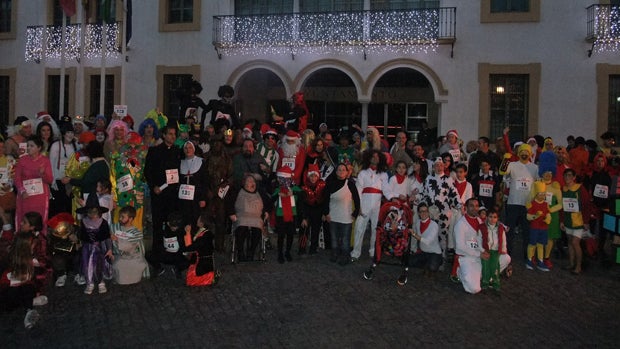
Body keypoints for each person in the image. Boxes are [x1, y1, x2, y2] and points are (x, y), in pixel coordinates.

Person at [144, 126, 182, 261]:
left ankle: (172, 252)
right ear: (164, 135)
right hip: (159, 193)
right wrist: (153, 186)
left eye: (174, 134)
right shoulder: (154, 151)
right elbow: (148, 171)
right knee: (158, 224)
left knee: (172, 224)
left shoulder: (178, 151)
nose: (172, 136)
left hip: (173, 195)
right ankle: (157, 253)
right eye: (170, 134)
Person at [351, 149, 389, 261]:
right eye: (373, 156)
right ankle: (356, 252)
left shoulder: (383, 174)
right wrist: (359, 206)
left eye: (377, 156)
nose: (375, 158)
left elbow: (386, 190)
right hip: (365, 202)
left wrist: (395, 196)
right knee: (359, 228)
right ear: (369, 158)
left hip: (377, 204)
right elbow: (358, 190)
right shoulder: (363, 173)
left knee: (375, 228)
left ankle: (373, 251)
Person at [503, 143, 538, 256]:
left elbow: (539, 183)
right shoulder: (512, 164)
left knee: (527, 230)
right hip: (513, 202)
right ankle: (507, 250)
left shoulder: (534, 167)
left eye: (527, 152)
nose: (524, 154)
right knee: (509, 229)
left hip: (528, 204)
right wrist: (505, 160)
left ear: (530, 154)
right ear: (518, 153)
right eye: (522, 151)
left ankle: (527, 252)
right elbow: (502, 172)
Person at [0, 232, 41, 329]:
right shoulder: (9, 261)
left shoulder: (29, 260)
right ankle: (27, 303)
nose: (34, 249)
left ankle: (29, 310)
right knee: (16, 290)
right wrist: (18, 281)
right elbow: (4, 281)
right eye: (32, 246)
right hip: (7, 294)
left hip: (21, 291)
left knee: (28, 288)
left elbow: (33, 279)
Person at [227, 175, 271, 262]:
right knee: (241, 229)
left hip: (256, 217)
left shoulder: (260, 192)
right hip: (241, 216)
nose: (252, 183)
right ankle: (240, 252)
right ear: (244, 183)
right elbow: (229, 202)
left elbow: (269, 203)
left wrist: (266, 211)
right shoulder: (237, 191)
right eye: (249, 181)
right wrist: (231, 213)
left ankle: (251, 251)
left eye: (253, 181)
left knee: (257, 230)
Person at [323, 163, 360, 265]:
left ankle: (345, 256)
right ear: (336, 172)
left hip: (346, 217)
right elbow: (325, 200)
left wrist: (355, 213)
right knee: (334, 238)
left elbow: (357, 200)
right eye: (339, 170)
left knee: (345, 239)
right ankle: (334, 253)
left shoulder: (351, 184)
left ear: (347, 172)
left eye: (344, 170)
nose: (341, 171)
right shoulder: (330, 184)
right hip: (333, 216)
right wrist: (326, 213)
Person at [14, 136, 53, 229]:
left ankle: (40, 241)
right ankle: (22, 241)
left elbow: (50, 180)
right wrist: (22, 191)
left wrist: (42, 174)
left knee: (40, 218)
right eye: (28, 145)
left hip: (40, 196)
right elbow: (17, 178)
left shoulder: (45, 160)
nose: (28, 148)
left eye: (32, 146)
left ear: (39, 148)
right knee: (23, 216)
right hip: (25, 195)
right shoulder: (22, 160)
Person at [76, 194, 112, 295]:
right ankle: (89, 283)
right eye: (90, 213)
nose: (92, 215)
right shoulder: (83, 222)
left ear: (99, 212)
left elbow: (107, 237)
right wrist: (78, 241)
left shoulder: (103, 222)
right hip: (87, 248)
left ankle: (101, 282)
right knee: (87, 264)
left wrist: (109, 249)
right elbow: (81, 235)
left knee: (99, 265)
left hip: (99, 247)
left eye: (95, 212)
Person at [560, 168, 592, 275]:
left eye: (570, 175)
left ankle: (578, 266)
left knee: (575, 242)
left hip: (579, 220)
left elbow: (587, 205)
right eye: (565, 175)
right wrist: (562, 221)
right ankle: (571, 263)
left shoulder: (580, 188)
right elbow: (561, 207)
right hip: (568, 220)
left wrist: (586, 221)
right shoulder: (563, 189)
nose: (567, 177)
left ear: (574, 177)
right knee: (569, 242)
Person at [454, 198, 486, 294]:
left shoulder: (480, 221)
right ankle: (460, 272)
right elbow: (460, 247)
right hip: (466, 257)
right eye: (471, 206)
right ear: (466, 208)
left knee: (506, 258)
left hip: (478, 255)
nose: (475, 208)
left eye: (476, 206)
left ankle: (479, 275)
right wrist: (478, 254)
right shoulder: (460, 224)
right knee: (474, 289)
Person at [111, 206, 148, 285]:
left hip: (134, 258)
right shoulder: (114, 228)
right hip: (120, 257)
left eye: (123, 217)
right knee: (119, 264)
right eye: (120, 216)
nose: (120, 219)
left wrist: (117, 239)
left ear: (130, 219)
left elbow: (129, 246)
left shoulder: (137, 232)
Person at [273, 166, 302, 264]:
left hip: (292, 214)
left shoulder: (294, 188)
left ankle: (288, 252)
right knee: (281, 235)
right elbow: (270, 199)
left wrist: (293, 193)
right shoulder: (277, 188)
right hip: (280, 215)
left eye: (286, 179)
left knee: (290, 235)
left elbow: (303, 195)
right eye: (282, 179)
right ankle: (280, 253)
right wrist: (278, 195)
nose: (284, 180)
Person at [148, 211, 189, 277]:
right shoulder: (163, 230)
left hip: (176, 256)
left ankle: (177, 269)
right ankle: (159, 268)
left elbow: (184, 247)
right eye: (173, 226)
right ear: (168, 223)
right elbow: (158, 243)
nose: (174, 228)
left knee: (188, 262)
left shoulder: (181, 232)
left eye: (176, 227)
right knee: (148, 255)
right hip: (165, 254)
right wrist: (162, 249)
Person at [49, 123, 77, 217]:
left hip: (71, 180)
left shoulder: (75, 146)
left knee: (69, 205)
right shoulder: (56, 146)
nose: (70, 135)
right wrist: (52, 180)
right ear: (63, 133)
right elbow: (51, 163)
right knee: (58, 206)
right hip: (58, 180)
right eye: (68, 132)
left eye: (72, 132)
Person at [183, 212, 219, 286]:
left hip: (203, 263)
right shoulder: (203, 232)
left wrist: (188, 233)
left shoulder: (206, 235)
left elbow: (191, 247)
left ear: (203, 222)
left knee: (191, 281)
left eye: (199, 219)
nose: (197, 221)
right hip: (200, 260)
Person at [479, 209, 511, 291]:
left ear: (498, 218)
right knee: (485, 267)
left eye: (494, 217)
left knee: (495, 267)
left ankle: (496, 283)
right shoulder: (482, 227)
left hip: (496, 251)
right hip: (486, 250)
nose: (492, 219)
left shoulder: (500, 228)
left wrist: (503, 249)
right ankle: (485, 283)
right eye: (490, 217)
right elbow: (478, 239)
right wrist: (482, 250)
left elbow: (503, 240)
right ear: (487, 217)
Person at [178, 141, 208, 227]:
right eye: (186, 148)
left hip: (196, 198)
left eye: (190, 148)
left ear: (194, 149)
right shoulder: (181, 162)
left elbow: (204, 181)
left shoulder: (201, 162)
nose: (188, 150)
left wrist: (203, 198)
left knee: (195, 221)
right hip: (183, 199)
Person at [299, 164, 326, 255]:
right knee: (304, 231)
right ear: (308, 176)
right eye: (311, 176)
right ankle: (302, 248)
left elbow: (325, 200)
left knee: (315, 230)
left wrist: (324, 213)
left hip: (318, 211)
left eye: (315, 176)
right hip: (307, 211)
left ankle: (313, 248)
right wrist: (303, 217)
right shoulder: (304, 188)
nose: (313, 178)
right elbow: (301, 204)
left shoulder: (322, 186)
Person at [409, 203, 443, 276]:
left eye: (425, 211)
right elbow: (414, 231)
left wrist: (414, 234)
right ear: (418, 213)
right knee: (410, 262)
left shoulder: (434, 225)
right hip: (424, 252)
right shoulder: (418, 223)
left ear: (428, 212)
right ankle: (427, 264)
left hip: (435, 253)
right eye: (421, 211)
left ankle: (438, 261)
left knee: (432, 267)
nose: (424, 213)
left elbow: (428, 241)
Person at [47, 212, 79, 288]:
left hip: (74, 255)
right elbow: (51, 247)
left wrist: (77, 241)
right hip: (61, 256)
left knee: (80, 256)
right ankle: (61, 275)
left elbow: (83, 243)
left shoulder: (76, 229)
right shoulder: (52, 232)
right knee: (56, 258)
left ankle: (79, 273)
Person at [526, 181, 552, 271]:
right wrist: (535, 216)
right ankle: (529, 260)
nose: (542, 196)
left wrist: (548, 219)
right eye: (540, 194)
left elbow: (548, 214)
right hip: (535, 228)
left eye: (543, 194)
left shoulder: (546, 204)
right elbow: (528, 216)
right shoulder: (532, 204)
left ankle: (540, 261)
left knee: (541, 245)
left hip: (543, 228)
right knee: (532, 244)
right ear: (536, 194)